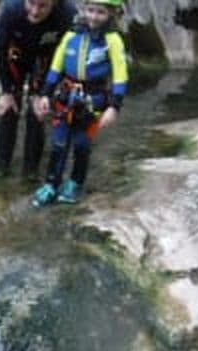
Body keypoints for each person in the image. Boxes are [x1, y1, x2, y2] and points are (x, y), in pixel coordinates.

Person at [32, 0, 128, 206]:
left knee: (82, 145)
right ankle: (51, 184)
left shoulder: (113, 40)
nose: (93, 17)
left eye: (100, 12)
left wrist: (114, 107)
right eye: (90, 10)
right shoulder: (71, 34)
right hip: (65, 98)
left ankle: (75, 182)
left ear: (111, 14)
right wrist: (45, 95)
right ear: (83, 9)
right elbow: (56, 66)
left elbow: (120, 76)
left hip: (93, 102)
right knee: (58, 143)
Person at [0, 0, 77, 180]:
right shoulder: (11, 9)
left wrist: (44, 94)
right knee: (9, 108)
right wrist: (6, 91)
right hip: (16, 54)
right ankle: (1, 168)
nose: (35, 11)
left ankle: (30, 171)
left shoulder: (67, 14)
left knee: (37, 111)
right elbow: (0, 49)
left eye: (42, 6)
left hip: (46, 59)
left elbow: (63, 56)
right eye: (31, 3)